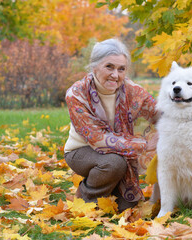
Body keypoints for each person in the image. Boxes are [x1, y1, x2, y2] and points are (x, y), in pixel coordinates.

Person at [64, 38, 158, 211]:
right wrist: (144, 144)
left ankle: (109, 190)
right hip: (81, 151)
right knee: (114, 163)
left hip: (121, 152)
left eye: (121, 69)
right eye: (109, 67)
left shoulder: (130, 90)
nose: (116, 75)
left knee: (126, 206)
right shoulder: (77, 94)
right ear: (94, 66)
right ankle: (86, 201)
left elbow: (158, 110)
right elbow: (97, 139)